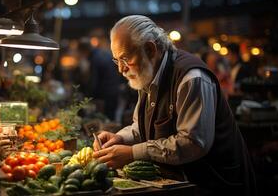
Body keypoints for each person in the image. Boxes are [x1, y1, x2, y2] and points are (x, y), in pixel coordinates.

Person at [92, 15, 256, 196]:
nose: (121, 69)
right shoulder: (147, 73)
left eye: (125, 58)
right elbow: (141, 128)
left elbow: (193, 142)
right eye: (117, 60)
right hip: (185, 183)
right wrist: (120, 138)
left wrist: (132, 153)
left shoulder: (191, 78)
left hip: (217, 185)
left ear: (150, 49)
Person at [77, 37, 121, 121]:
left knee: (105, 120)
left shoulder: (95, 59)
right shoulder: (102, 53)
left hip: (105, 96)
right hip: (114, 91)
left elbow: (94, 81)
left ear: (84, 50)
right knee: (111, 119)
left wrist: (89, 97)